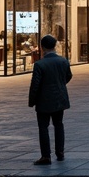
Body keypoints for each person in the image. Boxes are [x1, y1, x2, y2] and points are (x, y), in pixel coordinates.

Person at [28, 34, 72, 165]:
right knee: (59, 125)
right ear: (54, 46)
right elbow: (68, 76)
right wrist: (60, 85)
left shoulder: (39, 64)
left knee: (43, 127)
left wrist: (32, 101)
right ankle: (60, 152)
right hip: (59, 98)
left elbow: (35, 85)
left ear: (42, 48)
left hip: (44, 100)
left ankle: (46, 156)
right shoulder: (63, 61)